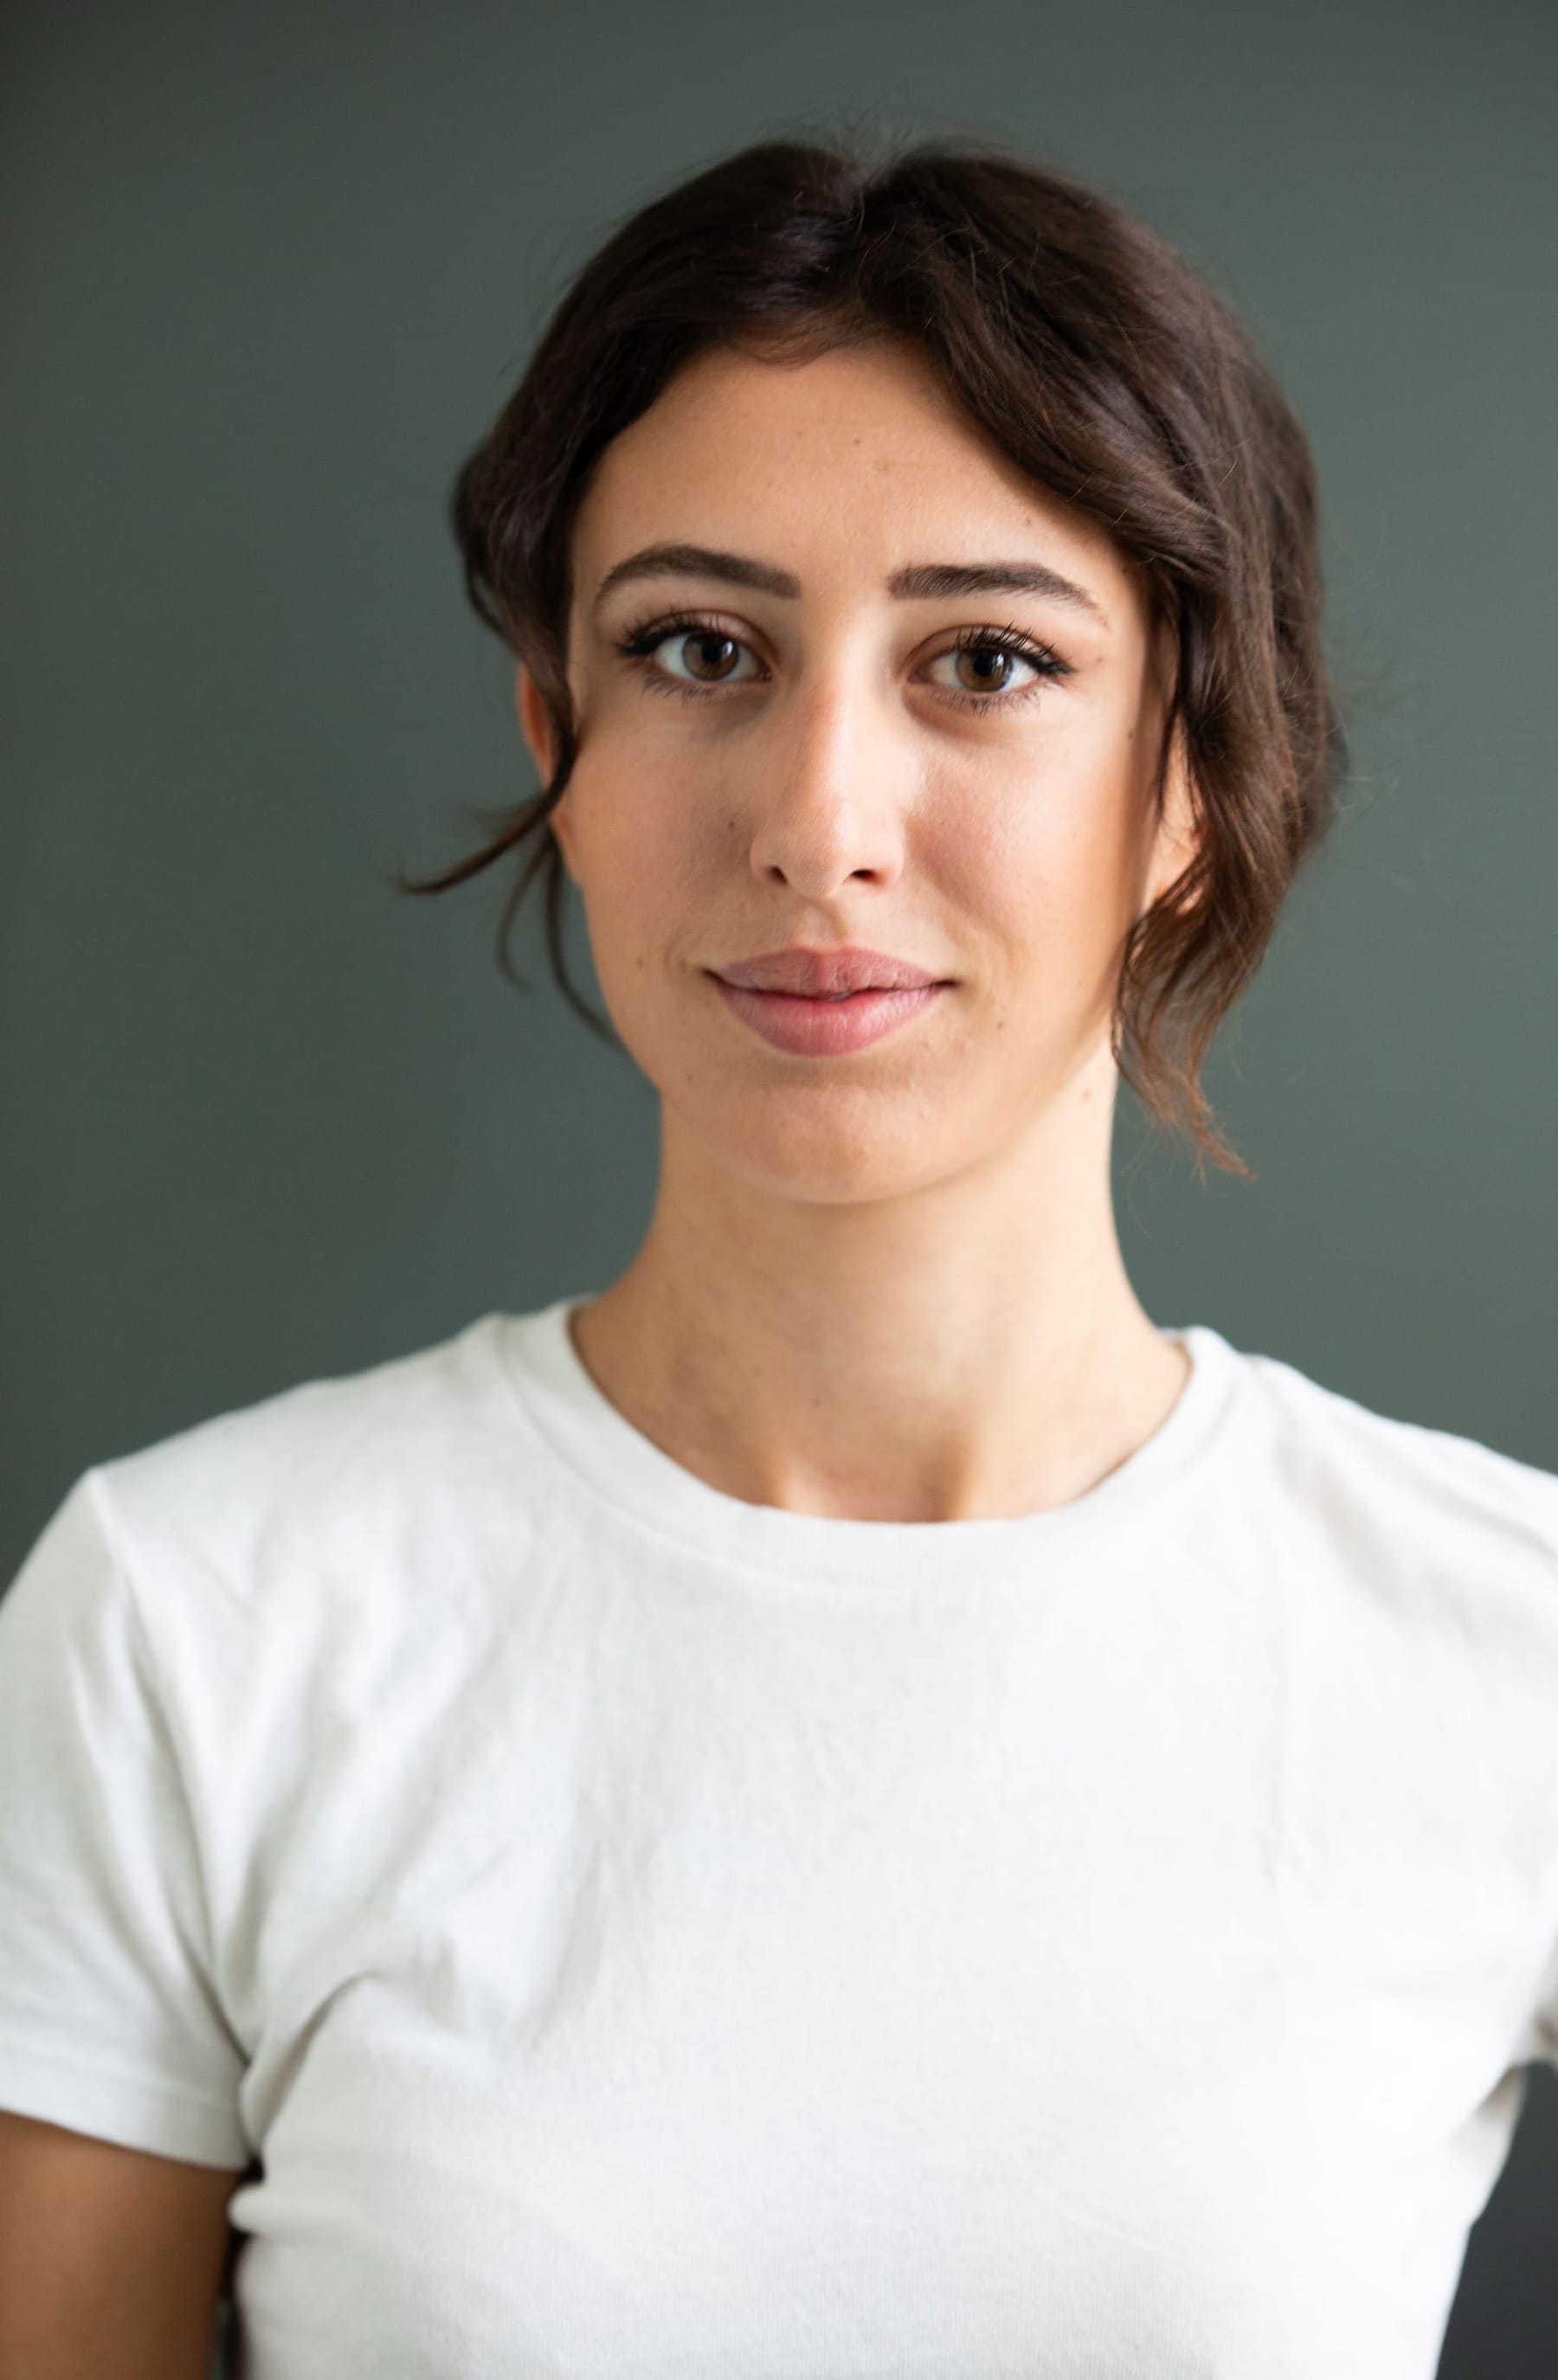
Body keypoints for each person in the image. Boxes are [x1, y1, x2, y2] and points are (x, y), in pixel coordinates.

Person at [0, 131, 1555, 2380]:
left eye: (990, 661)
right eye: (700, 648)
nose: (820, 819)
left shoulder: (1499, 1651)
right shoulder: (187, 1626)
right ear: (562, 740)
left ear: (1194, 780)